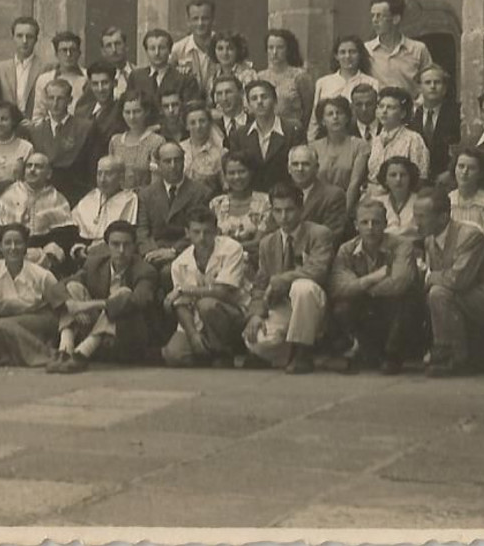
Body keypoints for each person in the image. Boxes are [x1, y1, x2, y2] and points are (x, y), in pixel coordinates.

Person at [417, 189, 484, 377]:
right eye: (416, 216)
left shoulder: (470, 235)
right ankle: (453, 352)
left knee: (438, 293)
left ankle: (452, 356)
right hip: (469, 291)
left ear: (443, 217)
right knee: (436, 292)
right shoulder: (430, 239)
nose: (416, 222)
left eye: (422, 216)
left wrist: (429, 277)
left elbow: (458, 279)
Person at [244, 184, 336, 374]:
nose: (284, 217)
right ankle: (308, 351)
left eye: (289, 210)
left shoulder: (319, 234)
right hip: (283, 306)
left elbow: (317, 270)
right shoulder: (267, 243)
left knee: (302, 287)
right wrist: (255, 313)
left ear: (301, 209)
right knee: (256, 342)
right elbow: (260, 285)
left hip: (315, 305)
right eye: (278, 211)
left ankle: (302, 352)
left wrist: (280, 280)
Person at [330, 200, 422, 375]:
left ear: (386, 224)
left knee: (407, 298)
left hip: (395, 306)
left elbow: (399, 283)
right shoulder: (346, 250)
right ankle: (367, 350)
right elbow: (338, 287)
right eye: (364, 222)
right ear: (356, 225)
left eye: (376, 222)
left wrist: (360, 286)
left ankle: (393, 355)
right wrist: (372, 278)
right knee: (342, 307)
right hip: (367, 307)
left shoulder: (402, 245)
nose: (370, 227)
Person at [58, 220, 160, 373]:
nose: (121, 250)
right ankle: (65, 349)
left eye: (127, 245)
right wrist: (73, 304)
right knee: (72, 287)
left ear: (134, 246)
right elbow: (58, 287)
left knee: (124, 293)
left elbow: (138, 300)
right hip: (94, 325)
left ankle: (82, 354)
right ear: (107, 246)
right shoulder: (94, 264)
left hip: (128, 336)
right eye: (115, 244)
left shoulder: (145, 270)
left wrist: (89, 305)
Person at [162, 208, 249, 367]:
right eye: (196, 232)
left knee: (207, 304)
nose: (202, 238)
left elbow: (222, 291)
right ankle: (207, 352)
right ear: (187, 232)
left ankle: (224, 351)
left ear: (216, 231)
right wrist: (193, 334)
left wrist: (182, 289)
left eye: (207, 232)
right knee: (173, 355)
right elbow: (181, 305)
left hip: (233, 314)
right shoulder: (179, 263)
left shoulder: (232, 248)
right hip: (198, 320)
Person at [0, 222, 69, 367]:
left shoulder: (41, 275)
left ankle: (51, 356)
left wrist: (65, 339)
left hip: (42, 320)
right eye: (8, 243)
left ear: (26, 246)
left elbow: (63, 307)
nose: (13, 248)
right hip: (9, 323)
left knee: (1, 326)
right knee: (0, 327)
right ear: (0, 247)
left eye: (18, 243)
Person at [135, 141, 213, 273]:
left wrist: (174, 251)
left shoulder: (201, 192)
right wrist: (151, 252)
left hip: (186, 251)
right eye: (167, 161)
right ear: (158, 164)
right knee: (145, 273)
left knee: (169, 272)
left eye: (177, 160)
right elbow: (142, 230)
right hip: (152, 252)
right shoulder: (146, 194)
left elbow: (199, 231)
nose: (173, 166)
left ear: (184, 161)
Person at [0, 152, 79, 268]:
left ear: (49, 174)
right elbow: (0, 230)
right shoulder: (10, 194)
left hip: (44, 253)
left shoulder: (57, 199)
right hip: (13, 249)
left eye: (38, 166)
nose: (32, 170)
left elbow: (64, 235)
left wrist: (47, 254)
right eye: (29, 166)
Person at [25, 78, 95, 201]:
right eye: (51, 98)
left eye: (60, 98)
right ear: (45, 100)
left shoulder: (84, 128)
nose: (55, 103)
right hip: (43, 195)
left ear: (69, 100)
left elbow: (91, 167)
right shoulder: (35, 130)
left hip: (76, 194)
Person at [228, 79, 303, 191]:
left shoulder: (292, 130)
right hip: (252, 197)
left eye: (264, 97)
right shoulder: (239, 135)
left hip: (286, 197)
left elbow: (299, 168)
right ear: (248, 105)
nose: (259, 101)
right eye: (254, 98)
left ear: (275, 101)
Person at [307, 96, 370, 214]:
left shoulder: (360, 146)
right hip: (319, 206)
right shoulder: (314, 147)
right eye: (330, 114)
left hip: (349, 206)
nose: (335, 117)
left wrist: (343, 214)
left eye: (339, 113)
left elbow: (354, 183)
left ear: (347, 118)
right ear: (323, 121)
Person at [309, 34, 381, 135]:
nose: (347, 56)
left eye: (352, 52)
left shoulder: (371, 82)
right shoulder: (323, 82)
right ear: (336, 56)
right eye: (342, 52)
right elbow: (315, 119)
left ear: (360, 55)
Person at [366, 0, 435, 96]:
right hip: (379, 110)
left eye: (379, 16)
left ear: (395, 19)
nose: (374, 20)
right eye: (373, 16)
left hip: (410, 109)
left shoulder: (418, 49)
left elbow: (430, 81)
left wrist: (418, 104)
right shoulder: (366, 50)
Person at [364, 86, 430, 196]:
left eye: (391, 107)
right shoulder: (375, 140)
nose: (384, 111)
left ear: (403, 113)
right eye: (381, 106)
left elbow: (420, 179)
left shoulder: (413, 139)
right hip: (374, 197)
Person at [70, 156, 140, 254]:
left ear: (121, 177)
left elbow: (125, 235)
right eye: (99, 174)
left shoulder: (130, 199)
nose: (102, 179)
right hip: (83, 248)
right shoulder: (91, 196)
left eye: (108, 174)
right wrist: (79, 250)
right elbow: (74, 229)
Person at [210, 151, 273, 256]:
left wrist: (229, 248)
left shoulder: (265, 202)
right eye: (231, 173)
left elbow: (259, 242)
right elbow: (212, 240)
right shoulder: (216, 204)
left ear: (251, 173)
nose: (237, 177)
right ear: (225, 176)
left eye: (242, 171)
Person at [127, 28, 203, 114]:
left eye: (162, 48)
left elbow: (190, 111)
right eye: (152, 48)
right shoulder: (136, 77)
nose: (157, 53)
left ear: (170, 50)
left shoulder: (185, 79)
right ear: (146, 51)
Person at [286, 143, 349, 244]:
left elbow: (331, 236)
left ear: (316, 168)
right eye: (295, 164)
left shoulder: (333, 196)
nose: (300, 169)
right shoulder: (282, 194)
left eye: (305, 164)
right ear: (289, 169)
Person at [0, 15, 52, 119]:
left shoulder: (47, 68)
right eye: (19, 36)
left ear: (36, 39)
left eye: (29, 36)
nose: (24, 41)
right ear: (13, 38)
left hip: (35, 125)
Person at [256, 29, 315, 135]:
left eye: (280, 48)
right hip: (267, 131)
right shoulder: (260, 77)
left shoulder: (300, 76)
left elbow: (308, 110)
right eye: (271, 48)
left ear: (288, 49)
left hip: (292, 131)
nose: (274, 52)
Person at [410, 66, 461, 180]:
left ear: (445, 88)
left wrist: (451, 172)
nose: (432, 86)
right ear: (419, 88)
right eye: (427, 83)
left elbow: (462, 148)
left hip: (448, 179)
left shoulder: (457, 113)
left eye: (437, 82)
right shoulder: (412, 117)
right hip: (417, 181)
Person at [449, 146, 484, 243]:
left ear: (481, 173)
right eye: (461, 166)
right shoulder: (448, 200)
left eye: (471, 168)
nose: (464, 172)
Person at [108, 94, 163, 191]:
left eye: (137, 112)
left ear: (146, 112)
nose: (132, 117)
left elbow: (156, 182)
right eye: (127, 112)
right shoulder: (115, 141)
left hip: (145, 199)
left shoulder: (156, 141)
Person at [0, 100, 34, 193]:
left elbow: (30, 180)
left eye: (4, 119)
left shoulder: (26, 148)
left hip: (17, 199)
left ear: (13, 121)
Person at [32, 31, 88, 116]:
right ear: (56, 54)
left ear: (79, 53)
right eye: (64, 50)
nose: (68, 54)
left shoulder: (88, 77)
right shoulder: (44, 79)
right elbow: (38, 114)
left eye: (72, 50)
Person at [76, 61, 125, 154]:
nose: (100, 89)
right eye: (95, 84)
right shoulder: (81, 112)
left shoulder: (121, 110)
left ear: (114, 83)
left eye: (105, 83)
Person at [170, 0, 219, 88]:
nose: (200, 23)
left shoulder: (223, 46)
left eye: (205, 18)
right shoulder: (178, 49)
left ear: (213, 20)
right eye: (195, 19)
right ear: (188, 21)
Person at [179, 102, 226, 196]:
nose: (198, 126)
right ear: (186, 126)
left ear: (209, 123)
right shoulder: (179, 149)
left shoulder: (221, 153)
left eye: (202, 121)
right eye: (192, 123)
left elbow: (226, 187)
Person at [374, 156, 422, 240]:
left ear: (410, 178)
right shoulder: (377, 202)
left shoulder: (420, 201)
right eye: (393, 175)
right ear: (385, 180)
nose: (398, 179)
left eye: (403, 175)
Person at [208, 33, 255, 102]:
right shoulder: (213, 77)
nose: (225, 53)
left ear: (238, 50)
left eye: (230, 48)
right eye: (220, 48)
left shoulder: (248, 75)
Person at [210, 74, 251, 143]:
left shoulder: (255, 123)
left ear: (241, 93)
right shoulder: (213, 128)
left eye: (228, 92)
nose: (224, 98)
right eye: (219, 94)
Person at [99, 26, 138, 97]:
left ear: (126, 46)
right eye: (109, 46)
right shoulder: (97, 79)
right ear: (103, 52)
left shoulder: (139, 74)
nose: (114, 50)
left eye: (117, 44)